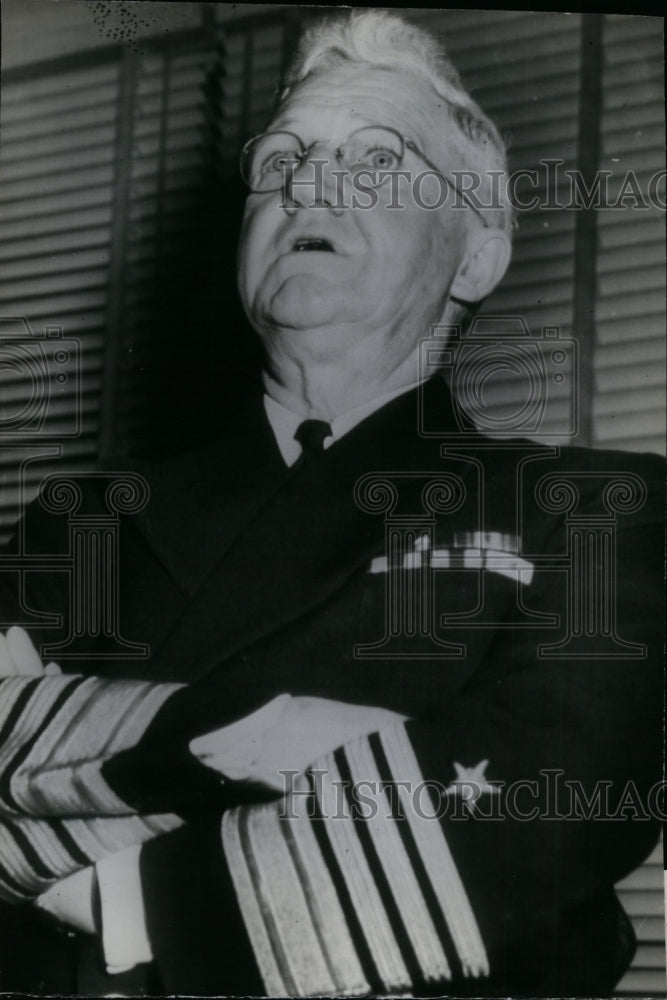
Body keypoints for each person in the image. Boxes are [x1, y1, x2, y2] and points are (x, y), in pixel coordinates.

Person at [0, 10, 662, 997]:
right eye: (283, 160)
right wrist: (288, 736)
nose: (307, 184)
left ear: (473, 257)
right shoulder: (82, 520)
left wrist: (131, 897)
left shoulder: (589, 510)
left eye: (378, 161)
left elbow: (543, 811)